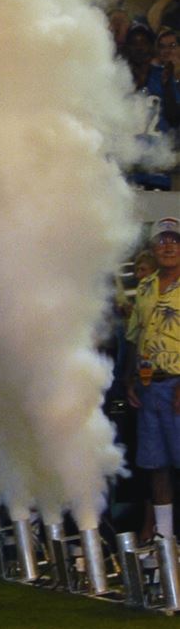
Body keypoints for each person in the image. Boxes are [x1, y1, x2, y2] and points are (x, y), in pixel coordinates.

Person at [125, 216, 180, 543]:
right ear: (153, 247)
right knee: (155, 464)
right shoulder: (144, 287)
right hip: (148, 387)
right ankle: (164, 536)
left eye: (174, 240)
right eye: (162, 240)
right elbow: (134, 334)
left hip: (177, 384)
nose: (168, 245)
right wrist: (129, 378)